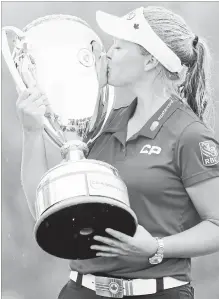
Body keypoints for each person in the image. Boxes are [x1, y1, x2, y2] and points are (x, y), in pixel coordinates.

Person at [16, 6, 219, 299]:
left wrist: (157, 248)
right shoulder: (102, 124)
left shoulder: (190, 134)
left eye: (119, 47)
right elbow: (45, 210)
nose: (107, 55)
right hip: (81, 291)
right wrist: (32, 132)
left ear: (150, 60)